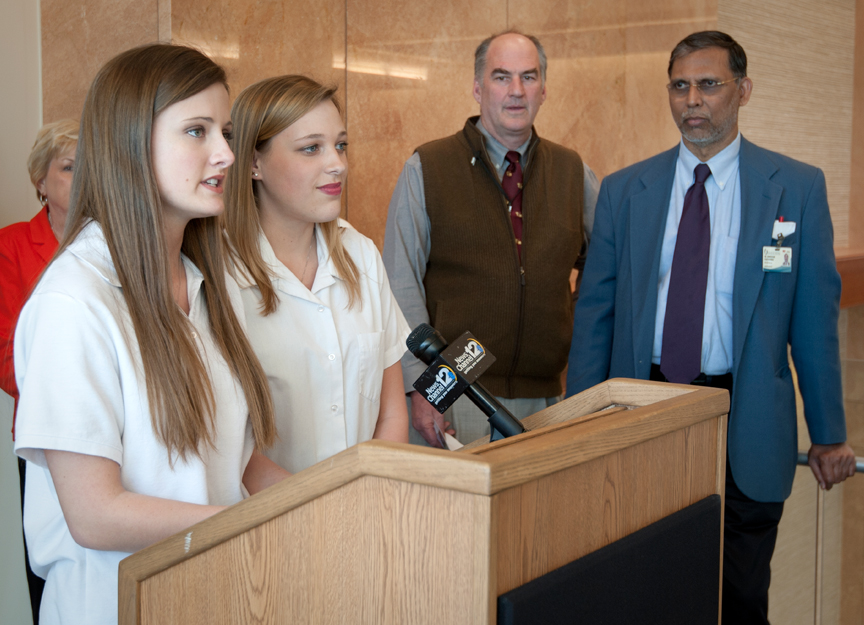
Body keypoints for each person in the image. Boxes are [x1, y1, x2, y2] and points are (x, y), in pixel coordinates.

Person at [566, 31, 856, 624]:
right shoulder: (625, 191)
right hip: (644, 409)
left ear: (743, 91)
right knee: (647, 588)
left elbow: (813, 321)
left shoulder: (795, 188)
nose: (692, 100)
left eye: (709, 84)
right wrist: (578, 428)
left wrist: (829, 432)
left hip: (744, 414)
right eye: (679, 86)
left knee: (741, 597)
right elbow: (596, 314)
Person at [13, 44, 289, 624]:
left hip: (213, 589)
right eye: (197, 131)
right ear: (129, 144)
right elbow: (96, 515)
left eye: (226, 132)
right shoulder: (73, 300)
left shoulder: (204, 284)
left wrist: (324, 502)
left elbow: (234, 460)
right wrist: (259, 525)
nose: (226, 155)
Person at [383, 30, 599, 447]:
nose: (516, 91)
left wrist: (574, 327)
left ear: (544, 89)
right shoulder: (428, 167)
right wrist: (421, 385)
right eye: (501, 77)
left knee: (536, 513)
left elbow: (604, 265)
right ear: (478, 88)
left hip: (548, 398)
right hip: (454, 393)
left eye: (529, 77)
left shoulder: (574, 172)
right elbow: (399, 283)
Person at [224, 75, 410, 473]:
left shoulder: (359, 253)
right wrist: (316, 514)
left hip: (362, 511)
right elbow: (229, 448)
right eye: (312, 149)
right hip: (270, 522)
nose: (337, 165)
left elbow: (392, 415)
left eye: (340, 146)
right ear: (254, 163)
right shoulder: (219, 272)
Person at [0, 118, 77, 625]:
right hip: (48, 439)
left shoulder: (123, 242)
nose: (85, 178)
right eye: (70, 167)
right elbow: (8, 360)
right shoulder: (11, 246)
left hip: (123, 438)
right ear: (40, 182)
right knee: (52, 573)